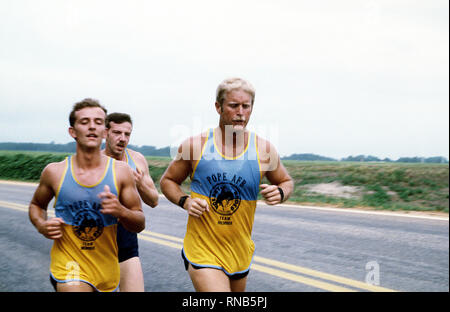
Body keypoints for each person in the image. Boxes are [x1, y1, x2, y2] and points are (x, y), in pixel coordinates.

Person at [160, 77, 294, 292]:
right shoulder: (196, 145)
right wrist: (185, 201)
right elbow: (168, 181)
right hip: (202, 249)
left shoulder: (263, 149)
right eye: (233, 106)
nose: (240, 112)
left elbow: (286, 182)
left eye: (246, 106)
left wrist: (280, 192)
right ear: (218, 107)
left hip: (239, 251)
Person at [28, 98, 145, 292]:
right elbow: (37, 205)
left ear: (104, 132)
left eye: (98, 122)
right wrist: (41, 225)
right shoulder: (55, 172)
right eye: (84, 122)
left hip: (106, 269)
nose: (92, 127)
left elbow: (140, 222)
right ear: (72, 132)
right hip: (69, 266)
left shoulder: (121, 172)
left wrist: (121, 211)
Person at [103, 112, 159, 292]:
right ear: (105, 133)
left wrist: (140, 183)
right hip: (98, 239)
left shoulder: (137, 160)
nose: (122, 138)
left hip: (126, 236)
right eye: (117, 133)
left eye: (127, 134)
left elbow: (153, 201)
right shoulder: (93, 160)